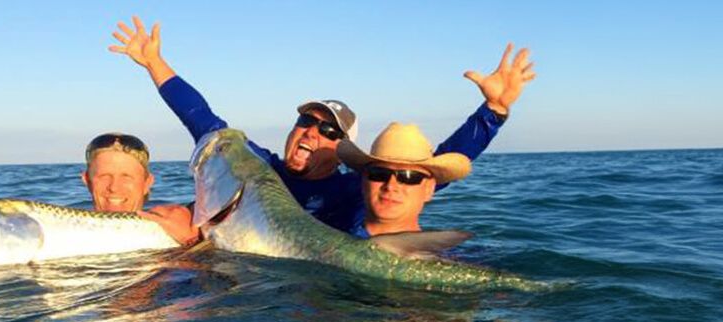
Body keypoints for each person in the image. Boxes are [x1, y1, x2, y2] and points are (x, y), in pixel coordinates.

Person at [108, 16, 536, 235]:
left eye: (330, 131)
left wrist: (492, 112)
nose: (313, 133)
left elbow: (425, 171)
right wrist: (155, 64)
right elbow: (202, 120)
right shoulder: (253, 166)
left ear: (343, 150)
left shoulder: (359, 188)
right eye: (306, 121)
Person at [337, 123, 472, 237]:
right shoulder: (332, 236)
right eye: (379, 174)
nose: (391, 185)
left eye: (409, 177)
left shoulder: (448, 258)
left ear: (429, 189)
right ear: (363, 182)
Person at [82, 132, 200, 245]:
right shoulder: (65, 230)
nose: (114, 187)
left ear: (147, 183)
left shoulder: (179, 229)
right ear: (87, 181)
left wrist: (192, 241)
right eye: (104, 176)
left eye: (126, 177)